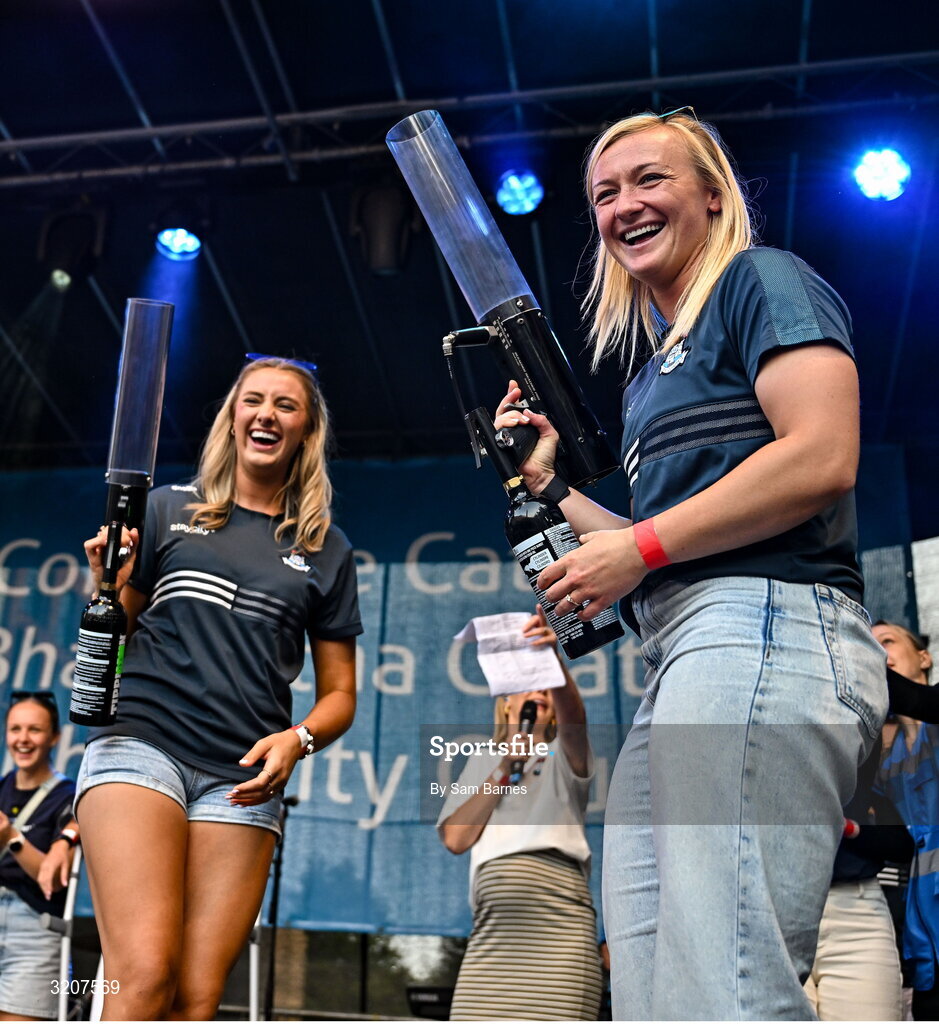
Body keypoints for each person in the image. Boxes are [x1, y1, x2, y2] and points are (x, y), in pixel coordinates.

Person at [494, 108, 887, 1019]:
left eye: (648, 179)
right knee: (650, 991)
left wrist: (637, 546)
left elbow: (822, 453)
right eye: (603, 192)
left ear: (713, 196)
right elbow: (657, 545)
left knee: (725, 985)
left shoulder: (762, 280)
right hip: (682, 655)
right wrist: (551, 487)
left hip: (768, 626)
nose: (622, 204)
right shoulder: (644, 380)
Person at [74, 356, 361, 1020]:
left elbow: (340, 694)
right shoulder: (167, 509)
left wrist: (298, 742)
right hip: (142, 748)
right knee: (143, 975)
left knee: (195, 1001)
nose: (266, 414)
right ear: (233, 418)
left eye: (285, 405)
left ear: (306, 430)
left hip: (241, 777)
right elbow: (115, 628)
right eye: (252, 400)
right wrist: (105, 586)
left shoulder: (326, 549)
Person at [437, 608, 602, 1021]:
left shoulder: (564, 757)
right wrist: (504, 767)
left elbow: (575, 722)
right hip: (494, 939)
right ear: (506, 704)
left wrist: (555, 668)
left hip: (559, 929)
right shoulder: (482, 760)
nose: (539, 695)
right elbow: (456, 839)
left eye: (545, 690)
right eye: (530, 687)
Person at [874, 622, 939, 1020]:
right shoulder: (888, 759)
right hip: (924, 936)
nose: (878, 653)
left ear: (924, 658)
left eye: (887, 642)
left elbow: (920, 701)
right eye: (868, 646)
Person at [0, 692, 77, 1021]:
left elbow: (53, 883)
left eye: (34, 729)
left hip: (33, 927)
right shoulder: (1, 787)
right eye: (15, 729)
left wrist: (11, 837)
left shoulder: (70, 797)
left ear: (55, 737)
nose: (23, 739)